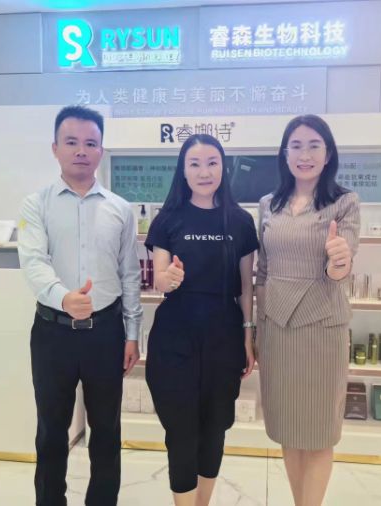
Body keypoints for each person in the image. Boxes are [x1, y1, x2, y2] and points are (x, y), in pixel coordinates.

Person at [18, 105, 142, 506]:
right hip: (52, 333)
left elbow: (129, 275)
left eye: (91, 143)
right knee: (51, 431)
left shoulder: (120, 209)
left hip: (106, 334)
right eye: (71, 142)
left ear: (101, 151)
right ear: (55, 148)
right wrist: (64, 297)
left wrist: (132, 334)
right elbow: (33, 262)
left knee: (106, 431)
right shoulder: (36, 204)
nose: (81, 151)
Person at [144, 134, 258, 506]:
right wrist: (169, 277)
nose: (204, 172)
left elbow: (246, 286)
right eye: (194, 164)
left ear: (223, 168)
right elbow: (159, 279)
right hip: (175, 337)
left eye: (212, 163)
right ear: (183, 170)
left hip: (224, 335)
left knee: (214, 428)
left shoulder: (240, 221)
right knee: (181, 431)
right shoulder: (168, 218)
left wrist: (248, 336)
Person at [255, 115, 360, 506]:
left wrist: (339, 260)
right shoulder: (269, 204)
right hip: (277, 328)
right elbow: (262, 272)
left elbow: (341, 268)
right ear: (285, 154)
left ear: (328, 153)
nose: (305, 154)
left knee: (318, 432)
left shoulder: (345, 203)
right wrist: (256, 330)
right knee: (288, 428)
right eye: (296, 146)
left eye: (314, 145)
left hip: (321, 328)